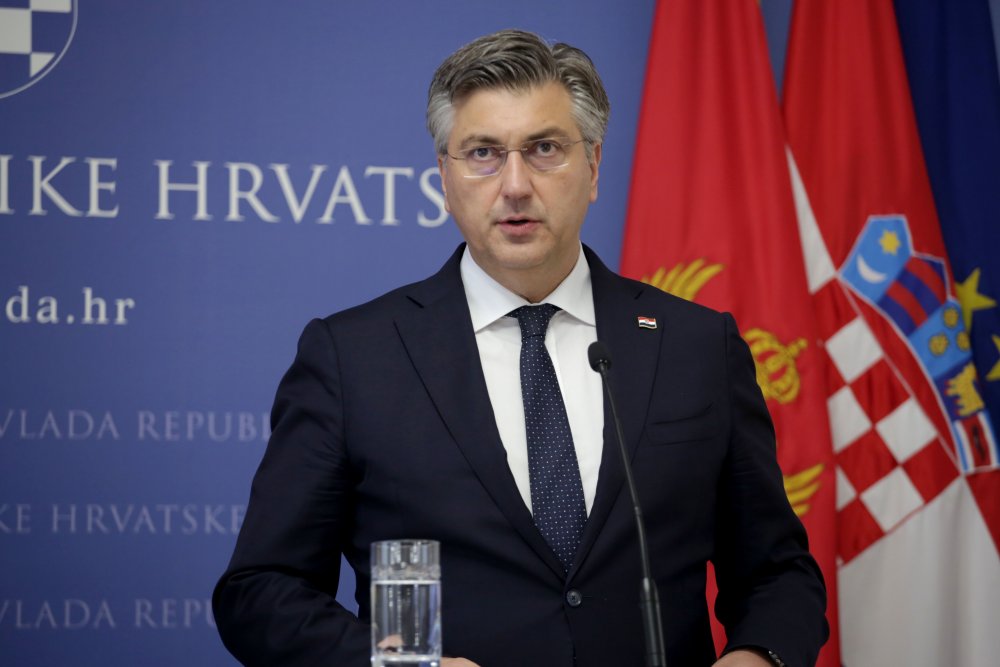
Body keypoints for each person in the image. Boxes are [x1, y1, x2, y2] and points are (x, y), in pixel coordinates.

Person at [213, 29, 828, 667]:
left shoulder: (695, 345)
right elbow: (261, 592)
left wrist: (759, 657)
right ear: (444, 178)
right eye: (482, 152)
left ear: (593, 167)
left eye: (544, 149)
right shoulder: (353, 358)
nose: (514, 185)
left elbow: (778, 573)